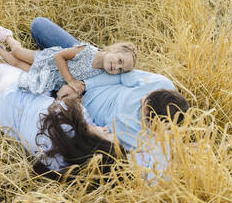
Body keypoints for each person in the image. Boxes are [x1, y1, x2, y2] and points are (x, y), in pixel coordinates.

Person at [0, 23, 124, 180]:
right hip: (2, 119)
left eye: (107, 135)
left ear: (94, 145)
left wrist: (74, 95)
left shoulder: (77, 117)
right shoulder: (61, 165)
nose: (107, 129)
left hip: (18, 96)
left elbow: (60, 99)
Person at [27, 17, 190, 179]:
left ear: (152, 124)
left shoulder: (143, 144)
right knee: (39, 26)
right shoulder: (162, 85)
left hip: (74, 105)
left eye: (144, 106)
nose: (141, 99)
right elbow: (120, 76)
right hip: (91, 73)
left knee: (25, 72)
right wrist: (82, 84)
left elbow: (97, 138)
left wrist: (73, 106)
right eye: (146, 97)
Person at [0, 25, 137, 95]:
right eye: (120, 61)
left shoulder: (100, 73)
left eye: (121, 70)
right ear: (115, 49)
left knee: (15, 64)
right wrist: (70, 80)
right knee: (17, 53)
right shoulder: (88, 51)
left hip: (49, 77)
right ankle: (7, 37)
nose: (116, 67)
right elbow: (59, 56)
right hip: (47, 60)